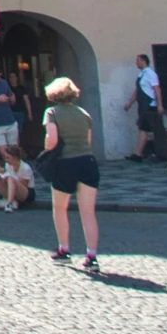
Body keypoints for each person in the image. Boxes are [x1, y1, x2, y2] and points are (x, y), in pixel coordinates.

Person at [42, 76, 101, 273]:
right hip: (87, 162)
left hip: (65, 163)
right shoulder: (84, 113)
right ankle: (91, 256)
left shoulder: (52, 112)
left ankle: (64, 250)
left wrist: (46, 151)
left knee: (60, 208)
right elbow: (88, 140)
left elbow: (52, 140)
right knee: (88, 212)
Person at [124, 54, 160, 161]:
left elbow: (157, 90)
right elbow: (137, 91)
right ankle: (139, 153)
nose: (136, 63)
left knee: (144, 128)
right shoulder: (141, 75)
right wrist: (130, 103)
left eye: (138, 61)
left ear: (143, 61)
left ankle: (139, 153)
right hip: (143, 104)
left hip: (150, 105)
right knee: (143, 128)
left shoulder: (150, 74)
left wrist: (160, 105)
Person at [0, 145, 35, 211]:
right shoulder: (8, 165)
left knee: (11, 179)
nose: (6, 160)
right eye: (5, 158)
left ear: (15, 158)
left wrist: (9, 180)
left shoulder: (25, 168)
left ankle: (9, 204)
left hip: (26, 193)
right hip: (12, 188)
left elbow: (23, 185)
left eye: (8, 158)